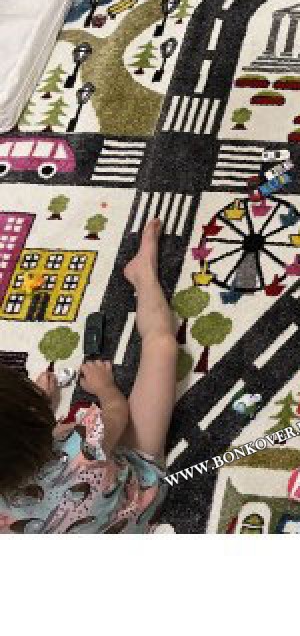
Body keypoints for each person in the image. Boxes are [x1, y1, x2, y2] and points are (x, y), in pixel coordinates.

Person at [0, 220, 177, 533]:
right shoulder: (84, 444)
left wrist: (34, 416)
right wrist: (105, 388)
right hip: (136, 502)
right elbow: (117, 413)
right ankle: (143, 274)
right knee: (161, 344)